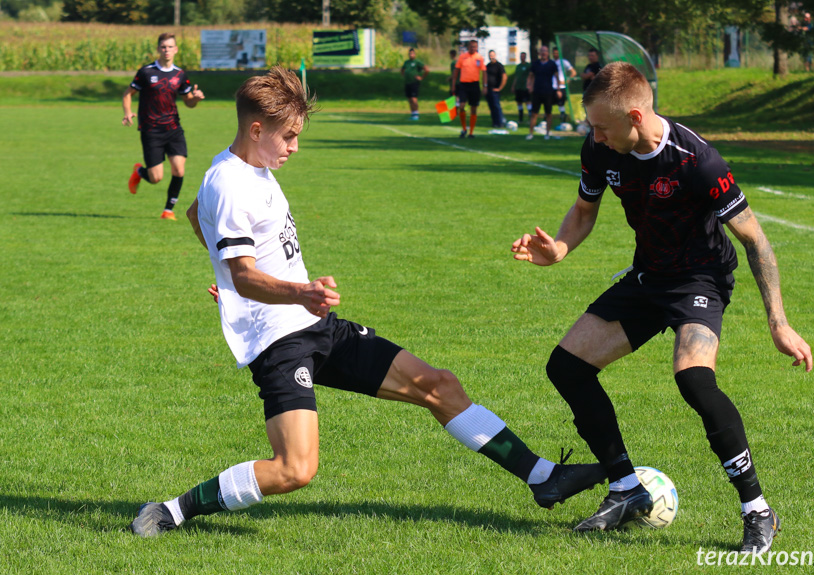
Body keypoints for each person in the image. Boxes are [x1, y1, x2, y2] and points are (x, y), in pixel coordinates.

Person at [129, 66, 605, 538]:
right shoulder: (229, 183)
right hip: (279, 341)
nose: (295, 146)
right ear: (257, 129)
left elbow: (198, 217)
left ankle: (542, 477)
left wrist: (238, 281)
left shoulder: (249, 167)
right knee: (295, 469)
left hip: (315, 324)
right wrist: (269, 286)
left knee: (437, 385)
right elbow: (242, 269)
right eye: (289, 136)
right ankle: (171, 510)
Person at [511, 62, 812, 554]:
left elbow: (756, 240)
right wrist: (560, 249)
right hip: (648, 276)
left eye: (603, 127)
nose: (596, 136)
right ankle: (626, 487)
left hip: (701, 278)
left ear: (634, 116)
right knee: (566, 367)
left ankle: (757, 509)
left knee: (693, 377)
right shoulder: (600, 148)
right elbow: (584, 211)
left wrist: (778, 324)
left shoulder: (697, 161)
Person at [122, 32, 205, 220]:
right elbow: (127, 94)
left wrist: (196, 99)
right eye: (163, 47)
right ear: (158, 49)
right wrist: (127, 112)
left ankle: (168, 210)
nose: (166, 50)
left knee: (179, 169)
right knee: (155, 177)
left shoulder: (180, 74)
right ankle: (139, 172)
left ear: (175, 50)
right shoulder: (146, 72)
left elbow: (188, 102)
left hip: (173, 128)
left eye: (170, 47)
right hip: (151, 130)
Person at [453, 40, 486, 138]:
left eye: (475, 47)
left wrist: (485, 85)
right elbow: (456, 71)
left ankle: (471, 132)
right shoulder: (462, 57)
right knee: (462, 106)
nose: (473, 48)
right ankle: (464, 128)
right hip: (464, 84)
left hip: (474, 85)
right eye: (471, 47)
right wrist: (453, 84)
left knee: (474, 108)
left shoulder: (479, 58)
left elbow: (484, 72)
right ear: (468, 47)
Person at [525, 46, 558, 141]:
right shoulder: (535, 64)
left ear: (548, 53)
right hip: (537, 91)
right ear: (539, 53)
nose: (543, 53)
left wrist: (559, 89)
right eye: (542, 51)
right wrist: (529, 86)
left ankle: (547, 133)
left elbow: (556, 76)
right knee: (534, 113)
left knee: (548, 113)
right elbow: (530, 76)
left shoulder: (552, 64)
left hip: (548, 92)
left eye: (545, 51)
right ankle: (530, 133)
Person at [400, 48, 429, 121]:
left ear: (415, 54)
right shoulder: (407, 62)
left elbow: (426, 69)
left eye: (412, 53)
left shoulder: (417, 62)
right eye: (410, 53)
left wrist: (421, 77)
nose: (411, 55)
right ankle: (412, 113)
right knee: (409, 98)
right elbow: (402, 70)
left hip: (414, 82)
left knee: (414, 98)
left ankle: (416, 114)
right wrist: (405, 75)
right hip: (407, 82)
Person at [551, 46, 576, 124]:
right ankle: (547, 119)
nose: (555, 55)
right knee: (549, 102)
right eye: (554, 53)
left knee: (560, 103)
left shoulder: (564, 62)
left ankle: (563, 117)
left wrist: (566, 81)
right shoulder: (551, 62)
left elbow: (573, 72)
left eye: (557, 53)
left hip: (561, 86)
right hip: (552, 86)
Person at [484, 50, 508, 128]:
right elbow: (484, 76)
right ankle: (495, 122)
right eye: (490, 55)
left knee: (496, 106)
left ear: (495, 55)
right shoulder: (488, 66)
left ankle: (500, 122)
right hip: (489, 89)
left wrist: (500, 88)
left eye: (492, 55)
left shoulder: (499, 66)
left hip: (495, 89)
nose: (491, 57)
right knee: (491, 107)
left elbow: (504, 77)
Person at [511, 51, 531, 123]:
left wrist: (530, 85)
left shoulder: (528, 66)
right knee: (519, 103)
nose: (522, 58)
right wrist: (513, 86)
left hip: (525, 87)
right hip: (518, 87)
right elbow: (516, 77)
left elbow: (531, 76)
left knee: (528, 102)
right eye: (521, 56)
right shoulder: (518, 66)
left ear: (525, 57)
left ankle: (530, 118)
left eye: (523, 56)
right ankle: (520, 118)